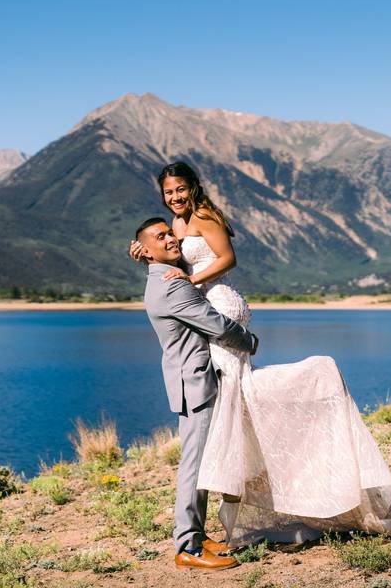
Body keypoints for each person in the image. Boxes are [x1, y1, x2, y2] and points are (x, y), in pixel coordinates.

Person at [130, 162, 391, 547]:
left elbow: (226, 259)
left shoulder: (203, 215)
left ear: (193, 187)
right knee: (235, 412)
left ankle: (235, 511)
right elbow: (164, 259)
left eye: (181, 189)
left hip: (218, 305)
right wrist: (145, 255)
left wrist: (192, 278)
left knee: (236, 403)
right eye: (169, 192)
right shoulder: (174, 224)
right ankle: (236, 509)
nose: (175, 197)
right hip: (206, 314)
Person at [134, 216, 259, 570]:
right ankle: (187, 546)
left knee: (200, 462)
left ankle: (197, 536)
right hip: (196, 382)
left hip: (191, 379)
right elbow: (215, 324)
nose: (171, 239)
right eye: (161, 237)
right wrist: (250, 342)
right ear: (147, 249)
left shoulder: (159, 278)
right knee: (194, 466)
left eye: (171, 234)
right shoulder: (173, 286)